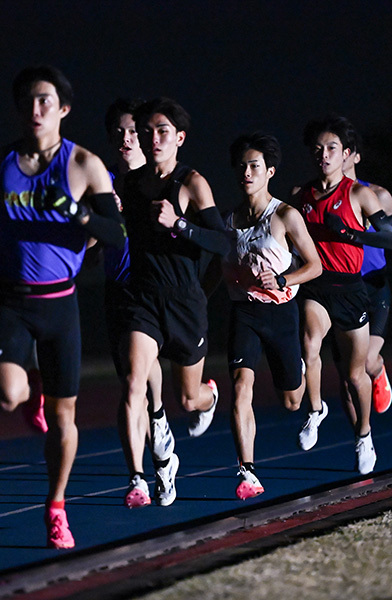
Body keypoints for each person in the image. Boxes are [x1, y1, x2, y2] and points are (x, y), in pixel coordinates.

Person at [0, 65, 125, 549]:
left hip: (60, 305)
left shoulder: (84, 165)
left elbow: (116, 234)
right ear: (19, 110)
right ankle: (29, 384)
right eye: (28, 102)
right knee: (5, 397)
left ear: (63, 109)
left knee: (64, 419)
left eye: (46, 101)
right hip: (12, 301)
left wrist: (77, 212)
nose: (36, 110)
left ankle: (56, 506)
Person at [116, 97, 230, 508]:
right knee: (134, 384)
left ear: (179, 138)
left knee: (187, 399)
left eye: (162, 131)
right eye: (147, 131)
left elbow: (224, 242)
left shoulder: (192, 183)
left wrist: (181, 224)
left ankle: (209, 396)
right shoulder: (130, 184)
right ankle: (137, 480)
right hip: (143, 299)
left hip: (185, 302)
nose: (153, 138)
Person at [292, 115, 392, 475]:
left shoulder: (360, 194)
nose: (323, 154)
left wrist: (352, 235)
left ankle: (364, 435)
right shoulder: (300, 196)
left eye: (331, 148)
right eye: (318, 149)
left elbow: (390, 238)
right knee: (309, 343)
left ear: (346, 154)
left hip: (353, 289)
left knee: (355, 376)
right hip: (318, 285)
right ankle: (315, 410)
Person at [220, 132, 321, 499]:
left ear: (270, 172)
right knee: (239, 391)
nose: (247, 172)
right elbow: (217, 268)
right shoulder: (227, 220)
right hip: (243, 311)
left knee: (291, 400)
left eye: (255, 166)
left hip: (280, 312)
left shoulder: (285, 216)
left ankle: (303, 375)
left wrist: (281, 277)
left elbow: (315, 266)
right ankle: (247, 472)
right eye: (242, 166)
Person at [99, 98, 171, 466]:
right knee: (131, 385)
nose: (125, 139)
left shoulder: (162, 179)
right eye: (118, 133)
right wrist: (104, 217)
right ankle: (155, 468)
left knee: (139, 378)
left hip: (154, 287)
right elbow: (90, 241)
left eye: (132, 131)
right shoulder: (102, 182)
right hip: (118, 287)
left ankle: (159, 416)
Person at [341, 129, 392, 415]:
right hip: (343, 289)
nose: (337, 157)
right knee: (348, 371)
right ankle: (362, 437)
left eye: (345, 150)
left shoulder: (378, 195)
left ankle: (379, 369)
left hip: (374, 286)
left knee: (367, 362)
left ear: (355, 156)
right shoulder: (321, 200)